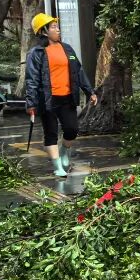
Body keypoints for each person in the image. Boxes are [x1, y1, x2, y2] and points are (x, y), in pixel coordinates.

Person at [25, 13, 97, 178]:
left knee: (72, 129)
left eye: (57, 26)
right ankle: (58, 166)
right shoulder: (36, 53)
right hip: (47, 99)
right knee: (50, 132)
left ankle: (65, 150)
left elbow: (78, 71)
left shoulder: (67, 49)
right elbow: (32, 79)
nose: (58, 29)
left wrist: (89, 91)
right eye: (53, 27)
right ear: (44, 31)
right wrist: (31, 104)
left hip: (67, 97)